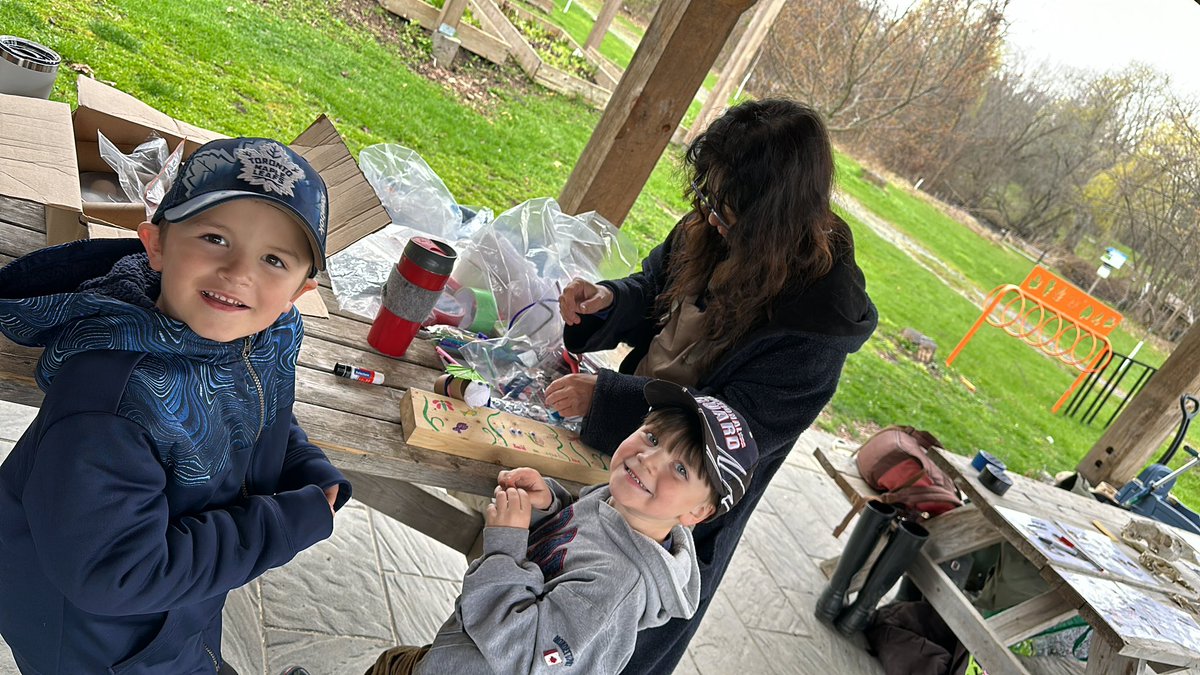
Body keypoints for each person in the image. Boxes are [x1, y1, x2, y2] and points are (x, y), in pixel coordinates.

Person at [544, 98, 878, 672]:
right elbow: (655, 290)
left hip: (680, 502)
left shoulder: (818, 326)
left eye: (727, 207)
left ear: (774, 214)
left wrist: (609, 399)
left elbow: (731, 432)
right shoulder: (715, 225)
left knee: (605, 641)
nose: (711, 215)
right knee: (547, 590)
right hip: (626, 446)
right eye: (710, 196)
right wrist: (609, 301)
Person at [0, 137, 352, 674]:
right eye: (215, 238)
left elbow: (257, 402)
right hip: (92, 635)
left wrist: (303, 466)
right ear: (156, 244)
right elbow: (115, 575)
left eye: (274, 259)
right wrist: (281, 524)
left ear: (301, 290)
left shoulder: (261, 331)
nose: (239, 272)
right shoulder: (108, 407)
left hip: (173, 596)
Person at [363, 380, 759, 675]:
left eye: (680, 468)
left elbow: (522, 655)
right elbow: (576, 538)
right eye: (652, 436)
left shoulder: (616, 590)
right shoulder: (616, 503)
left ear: (699, 514)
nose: (648, 459)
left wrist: (504, 547)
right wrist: (548, 506)